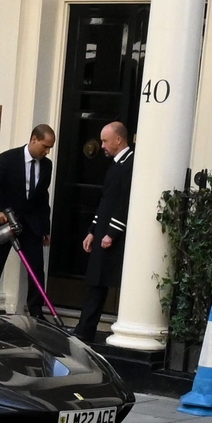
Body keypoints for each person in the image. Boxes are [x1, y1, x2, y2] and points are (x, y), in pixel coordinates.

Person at [0, 123, 55, 316]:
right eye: (45, 146)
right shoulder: (8, 159)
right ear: (34, 139)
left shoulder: (47, 165)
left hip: (32, 223)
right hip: (5, 222)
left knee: (36, 267)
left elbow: (43, 198)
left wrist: (45, 228)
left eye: (50, 148)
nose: (47, 151)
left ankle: (36, 310)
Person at [74, 122, 134, 343]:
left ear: (118, 140)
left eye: (105, 141)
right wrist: (92, 230)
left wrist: (112, 232)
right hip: (103, 231)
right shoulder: (117, 163)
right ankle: (85, 328)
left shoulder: (130, 164)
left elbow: (124, 202)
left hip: (114, 235)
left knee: (103, 282)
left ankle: (87, 328)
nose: (102, 146)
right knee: (95, 281)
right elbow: (106, 200)